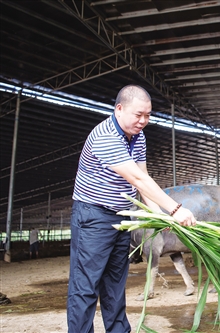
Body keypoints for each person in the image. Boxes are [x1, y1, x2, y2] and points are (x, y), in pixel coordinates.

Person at [67, 84, 197, 333]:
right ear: (119, 109)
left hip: (121, 216)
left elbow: (143, 176)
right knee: (86, 286)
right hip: (93, 216)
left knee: (115, 283)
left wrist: (158, 215)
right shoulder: (106, 135)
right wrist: (175, 209)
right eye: (138, 114)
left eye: (148, 115)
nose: (144, 121)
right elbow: (137, 181)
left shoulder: (138, 136)